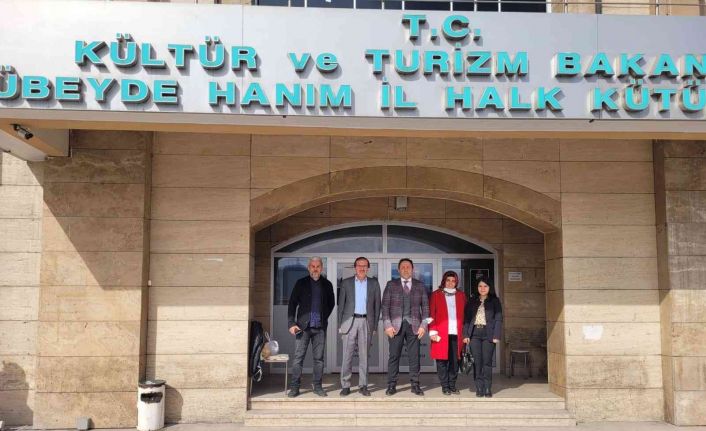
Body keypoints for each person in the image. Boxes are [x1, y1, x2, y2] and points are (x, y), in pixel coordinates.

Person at [287, 256, 335, 398]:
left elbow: (331, 304)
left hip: (319, 328)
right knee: (298, 358)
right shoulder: (300, 283)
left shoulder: (327, 284)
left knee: (319, 359)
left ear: (321, 268)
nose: (315, 269)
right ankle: (294, 387)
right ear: (309, 268)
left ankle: (317, 386)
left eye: (318, 266)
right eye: (313, 266)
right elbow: (292, 303)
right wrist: (291, 323)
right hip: (302, 327)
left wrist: (323, 317)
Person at [382, 258, 430, 396]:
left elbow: (425, 308)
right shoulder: (391, 284)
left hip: (414, 326)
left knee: (414, 357)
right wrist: (387, 325)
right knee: (394, 356)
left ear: (412, 269)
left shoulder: (420, 285)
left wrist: (423, 325)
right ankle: (391, 385)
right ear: (398, 270)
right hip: (394, 327)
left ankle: (415, 385)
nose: (405, 269)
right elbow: (385, 307)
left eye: (408, 267)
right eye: (402, 267)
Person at [337, 256, 381, 397]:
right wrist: (340, 325)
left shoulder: (374, 283)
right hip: (349, 322)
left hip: (366, 322)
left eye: (364, 266)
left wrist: (374, 326)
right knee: (347, 355)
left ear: (368, 268)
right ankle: (345, 385)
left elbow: (377, 306)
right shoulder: (346, 282)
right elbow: (341, 306)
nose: (362, 268)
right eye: (359, 265)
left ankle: (363, 385)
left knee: (364, 356)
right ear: (355, 267)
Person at [463, 278, 503, 398]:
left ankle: (487, 388)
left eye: (485, 286)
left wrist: (496, 335)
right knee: (477, 362)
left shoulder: (495, 301)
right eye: (480, 286)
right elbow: (466, 319)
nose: (483, 288)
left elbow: (498, 319)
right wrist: (466, 335)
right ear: (477, 288)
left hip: (488, 334)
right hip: (474, 334)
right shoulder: (472, 301)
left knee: (487, 362)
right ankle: (479, 387)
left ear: (490, 288)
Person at [429, 271, 466, 395]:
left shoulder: (461, 295)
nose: (450, 283)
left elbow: (465, 315)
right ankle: (445, 386)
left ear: (456, 282)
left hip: (457, 333)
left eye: (453, 281)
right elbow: (431, 314)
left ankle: (452, 385)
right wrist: (432, 331)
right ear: (444, 281)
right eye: (448, 280)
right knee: (441, 361)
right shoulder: (436, 294)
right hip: (440, 333)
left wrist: (466, 333)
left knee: (455, 361)